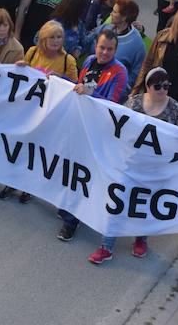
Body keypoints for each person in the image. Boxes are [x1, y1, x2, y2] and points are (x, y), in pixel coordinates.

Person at [87, 67, 178, 264]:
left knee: (145, 206)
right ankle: (106, 246)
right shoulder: (135, 102)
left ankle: (141, 240)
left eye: (166, 85)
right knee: (116, 203)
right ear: (148, 87)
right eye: (157, 86)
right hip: (131, 165)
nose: (162, 90)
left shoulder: (174, 108)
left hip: (156, 169)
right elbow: (117, 123)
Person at [57, 29, 128, 242]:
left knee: (82, 174)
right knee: (69, 168)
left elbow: (112, 105)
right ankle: (67, 208)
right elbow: (78, 88)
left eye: (110, 49)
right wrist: (55, 77)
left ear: (115, 50)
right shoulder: (88, 61)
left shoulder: (119, 71)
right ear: (95, 46)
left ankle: (71, 222)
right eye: (102, 47)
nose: (105, 52)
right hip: (78, 124)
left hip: (97, 132)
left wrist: (91, 94)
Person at [87, 0, 146, 90]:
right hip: (89, 82)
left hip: (112, 92)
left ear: (124, 17)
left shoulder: (137, 44)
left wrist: (119, 88)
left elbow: (136, 73)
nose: (111, 14)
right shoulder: (105, 28)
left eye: (114, 12)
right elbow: (87, 42)